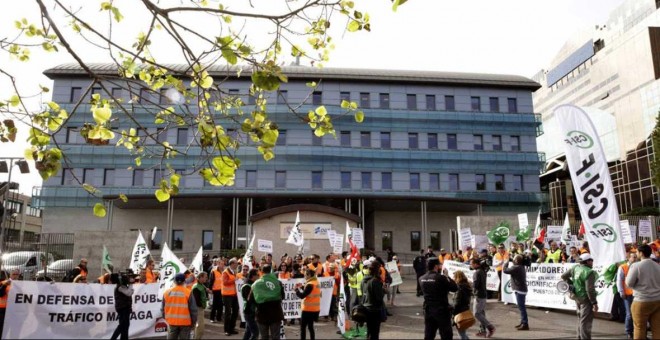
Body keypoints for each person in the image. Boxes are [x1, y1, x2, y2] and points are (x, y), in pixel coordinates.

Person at [625, 244, 660, 340]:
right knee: (657, 329)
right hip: (657, 300)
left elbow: (628, 283)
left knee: (639, 328)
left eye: (637, 252)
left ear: (641, 253)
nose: (636, 254)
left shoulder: (636, 266)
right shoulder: (657, 266)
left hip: (641, 301)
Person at [561, 253, 598, 340]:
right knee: (585, 321)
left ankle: (579, 337)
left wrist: (571, 285)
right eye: (591, 260)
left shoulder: (575, 268)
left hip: (576, 297)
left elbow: (563, 276)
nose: (592, 262)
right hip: (586, 298)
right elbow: (589, 289)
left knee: (581, 319)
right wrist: (594, 303)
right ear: (588, 261)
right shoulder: (589, 272)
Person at [419, 258, 457, 340]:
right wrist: (447, 277)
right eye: (440, 265)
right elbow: (454, 288)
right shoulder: (441, 278)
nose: (440, 266)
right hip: (441, 311)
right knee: (446, 335)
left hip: (428, 310)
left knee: (429, 335)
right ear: (436, 266)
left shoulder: (421, 278)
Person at [251, 264, 285, 340]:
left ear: (261, 271)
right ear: (271, 271)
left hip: (261, 313)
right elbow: (282, 296)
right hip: (275, 313)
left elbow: (251, 299)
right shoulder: (278, 282)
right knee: (275, 336)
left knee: (263, 337)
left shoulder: (256, 284)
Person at [163, 273, 198, 340]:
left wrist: (167, 319)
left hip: (172, 322)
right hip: (185, 323)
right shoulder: (188, 292)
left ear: (174, 281)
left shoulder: (167, 292)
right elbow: (193, 310)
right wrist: (193, 322)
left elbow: (162, 309)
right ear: (184, 281)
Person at [503, 255, 529, 330]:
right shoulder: (521, 266)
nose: (513, 260)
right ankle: (523, 322)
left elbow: (505, 270)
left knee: (522, 307)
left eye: (514, 259)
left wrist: (506, 263)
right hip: (520, 289)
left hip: (520, 289)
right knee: (521, 307)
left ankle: (525, 323)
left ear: (517, 261)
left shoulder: (516, 267)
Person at [470, 258, 494, 338]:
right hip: (483, 294)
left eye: (471, 264)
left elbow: (475, 285)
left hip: (479, 295)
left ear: (476, 264)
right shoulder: (482, 271)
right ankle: (483, 330)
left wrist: (470, 285)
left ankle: (490, 327)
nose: (471, 265)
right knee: (481, 313)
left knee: (476, 313)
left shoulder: (477, 272)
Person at [295, 268, 321, 340]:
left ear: (309, 275)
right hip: (314, 309)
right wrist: (302, 287)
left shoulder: (310, 284)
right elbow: (309, 292)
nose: (304, 276)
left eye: (305, 275)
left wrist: (296, 290)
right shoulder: (315, 282)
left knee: (303, 328)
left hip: (307, 309)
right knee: (310, 327)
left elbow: (302, 295)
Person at [617, 252, 638, 338]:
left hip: (637, 294)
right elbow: (619, 280)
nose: (636, 259)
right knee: (629, 314)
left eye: (636, 257)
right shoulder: (623, 267)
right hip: (628, 294)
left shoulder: (637, 266)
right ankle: (629, 331)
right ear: (628, 258)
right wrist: (621, 292)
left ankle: (637, 332)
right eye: (634, 257)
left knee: (637, 314)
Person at [362, 261, 385, 340]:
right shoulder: (375, 281)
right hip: (374, 309)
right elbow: (379, 298)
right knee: (374, 333)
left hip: (366, 307)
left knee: (369, 331)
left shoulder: (365, 279)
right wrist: (383, 291)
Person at [111, 273, 134, 340]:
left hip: (125, 308)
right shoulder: (120, 287)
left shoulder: (122, 286)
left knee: (125, 326)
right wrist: (131, 284)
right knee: (122, 326)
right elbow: (129, 293)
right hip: (123, 309)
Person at [222, 258, 240, 336]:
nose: (237, 265)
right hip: (227, 295)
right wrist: (234, 280)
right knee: (228, 313)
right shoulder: (225, 272)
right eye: (236, 263)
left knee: (235, 312)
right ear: (232, 264)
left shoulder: (234, 272)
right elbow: (225, 282)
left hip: (234, 295)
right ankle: (227, 330)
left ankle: (232, 328)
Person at [453, 270, 472, 340]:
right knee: (462, 332)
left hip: (459, 311)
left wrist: (453, 312)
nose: (453, 278)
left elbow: (457, 301)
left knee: (461, 333)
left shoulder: (459, 287)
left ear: (457, 277)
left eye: (454, 277)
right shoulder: (466, 285)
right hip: (465, 309)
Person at [240, 269, 259, 340]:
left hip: (252, 311)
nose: (259, 277)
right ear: (253, 276)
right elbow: (251, 300)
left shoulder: (252, 284)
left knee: (248, 332)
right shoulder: (247, 286)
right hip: (248, 311)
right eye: (257, 275)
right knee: (256, 333)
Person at [0, 269, 20, 336]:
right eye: (13, 274)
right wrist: (5, 285)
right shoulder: (3, 283)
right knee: (2, 330)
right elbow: (0, 294)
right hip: (3, 310)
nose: (15, 276)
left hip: (15, 310)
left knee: (15, 331)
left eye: (17, 274)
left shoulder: (22, 284)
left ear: (19, 275)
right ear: (10, 275)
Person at [192, 272, 210, 340]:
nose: (206, 278)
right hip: (198, 309)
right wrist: (202, 305)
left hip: (200, 308)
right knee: (200, 327)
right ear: (201, 277)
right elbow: (196, 300)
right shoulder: (197, 287)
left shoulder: (201, 285)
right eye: (205, 277)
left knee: (199, 327)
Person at [209, 258, 225, 324]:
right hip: (215, 290)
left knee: (221, 305)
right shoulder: (214, 271)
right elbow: (211, 281)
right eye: (221, 264)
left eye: (223, 264)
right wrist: (210, 289)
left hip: (222, 290)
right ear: (218, 264)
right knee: (215, 305)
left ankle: (219, 317)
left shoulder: (224, 271)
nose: (223, 265)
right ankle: (212, 318)